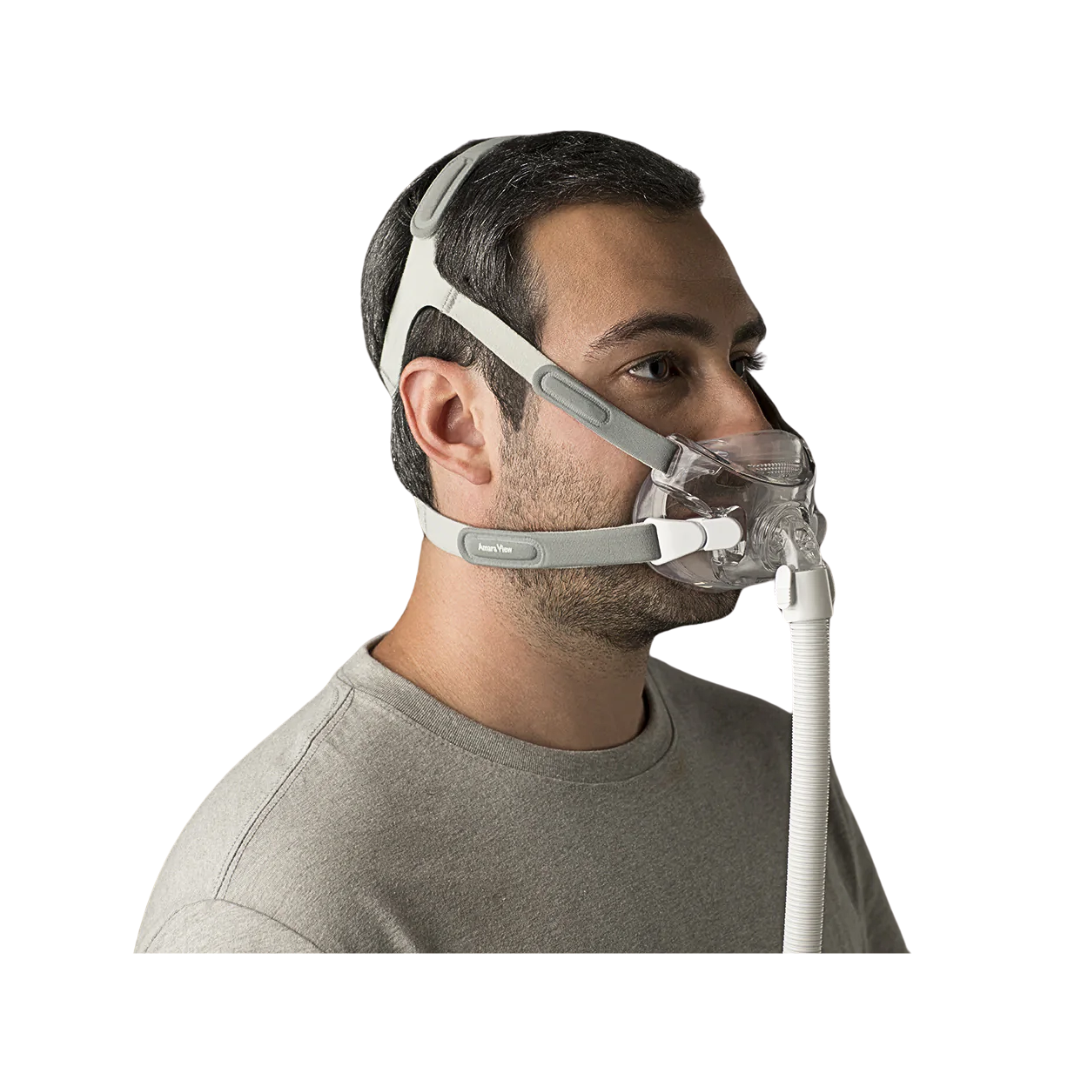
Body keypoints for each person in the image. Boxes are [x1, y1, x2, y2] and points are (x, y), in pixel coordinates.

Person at [134, 131, 907, 953]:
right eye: (657, 367)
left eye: (742, 361)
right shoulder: (285, 910)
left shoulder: (777, 769)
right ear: (454, 422)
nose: (749, 423)